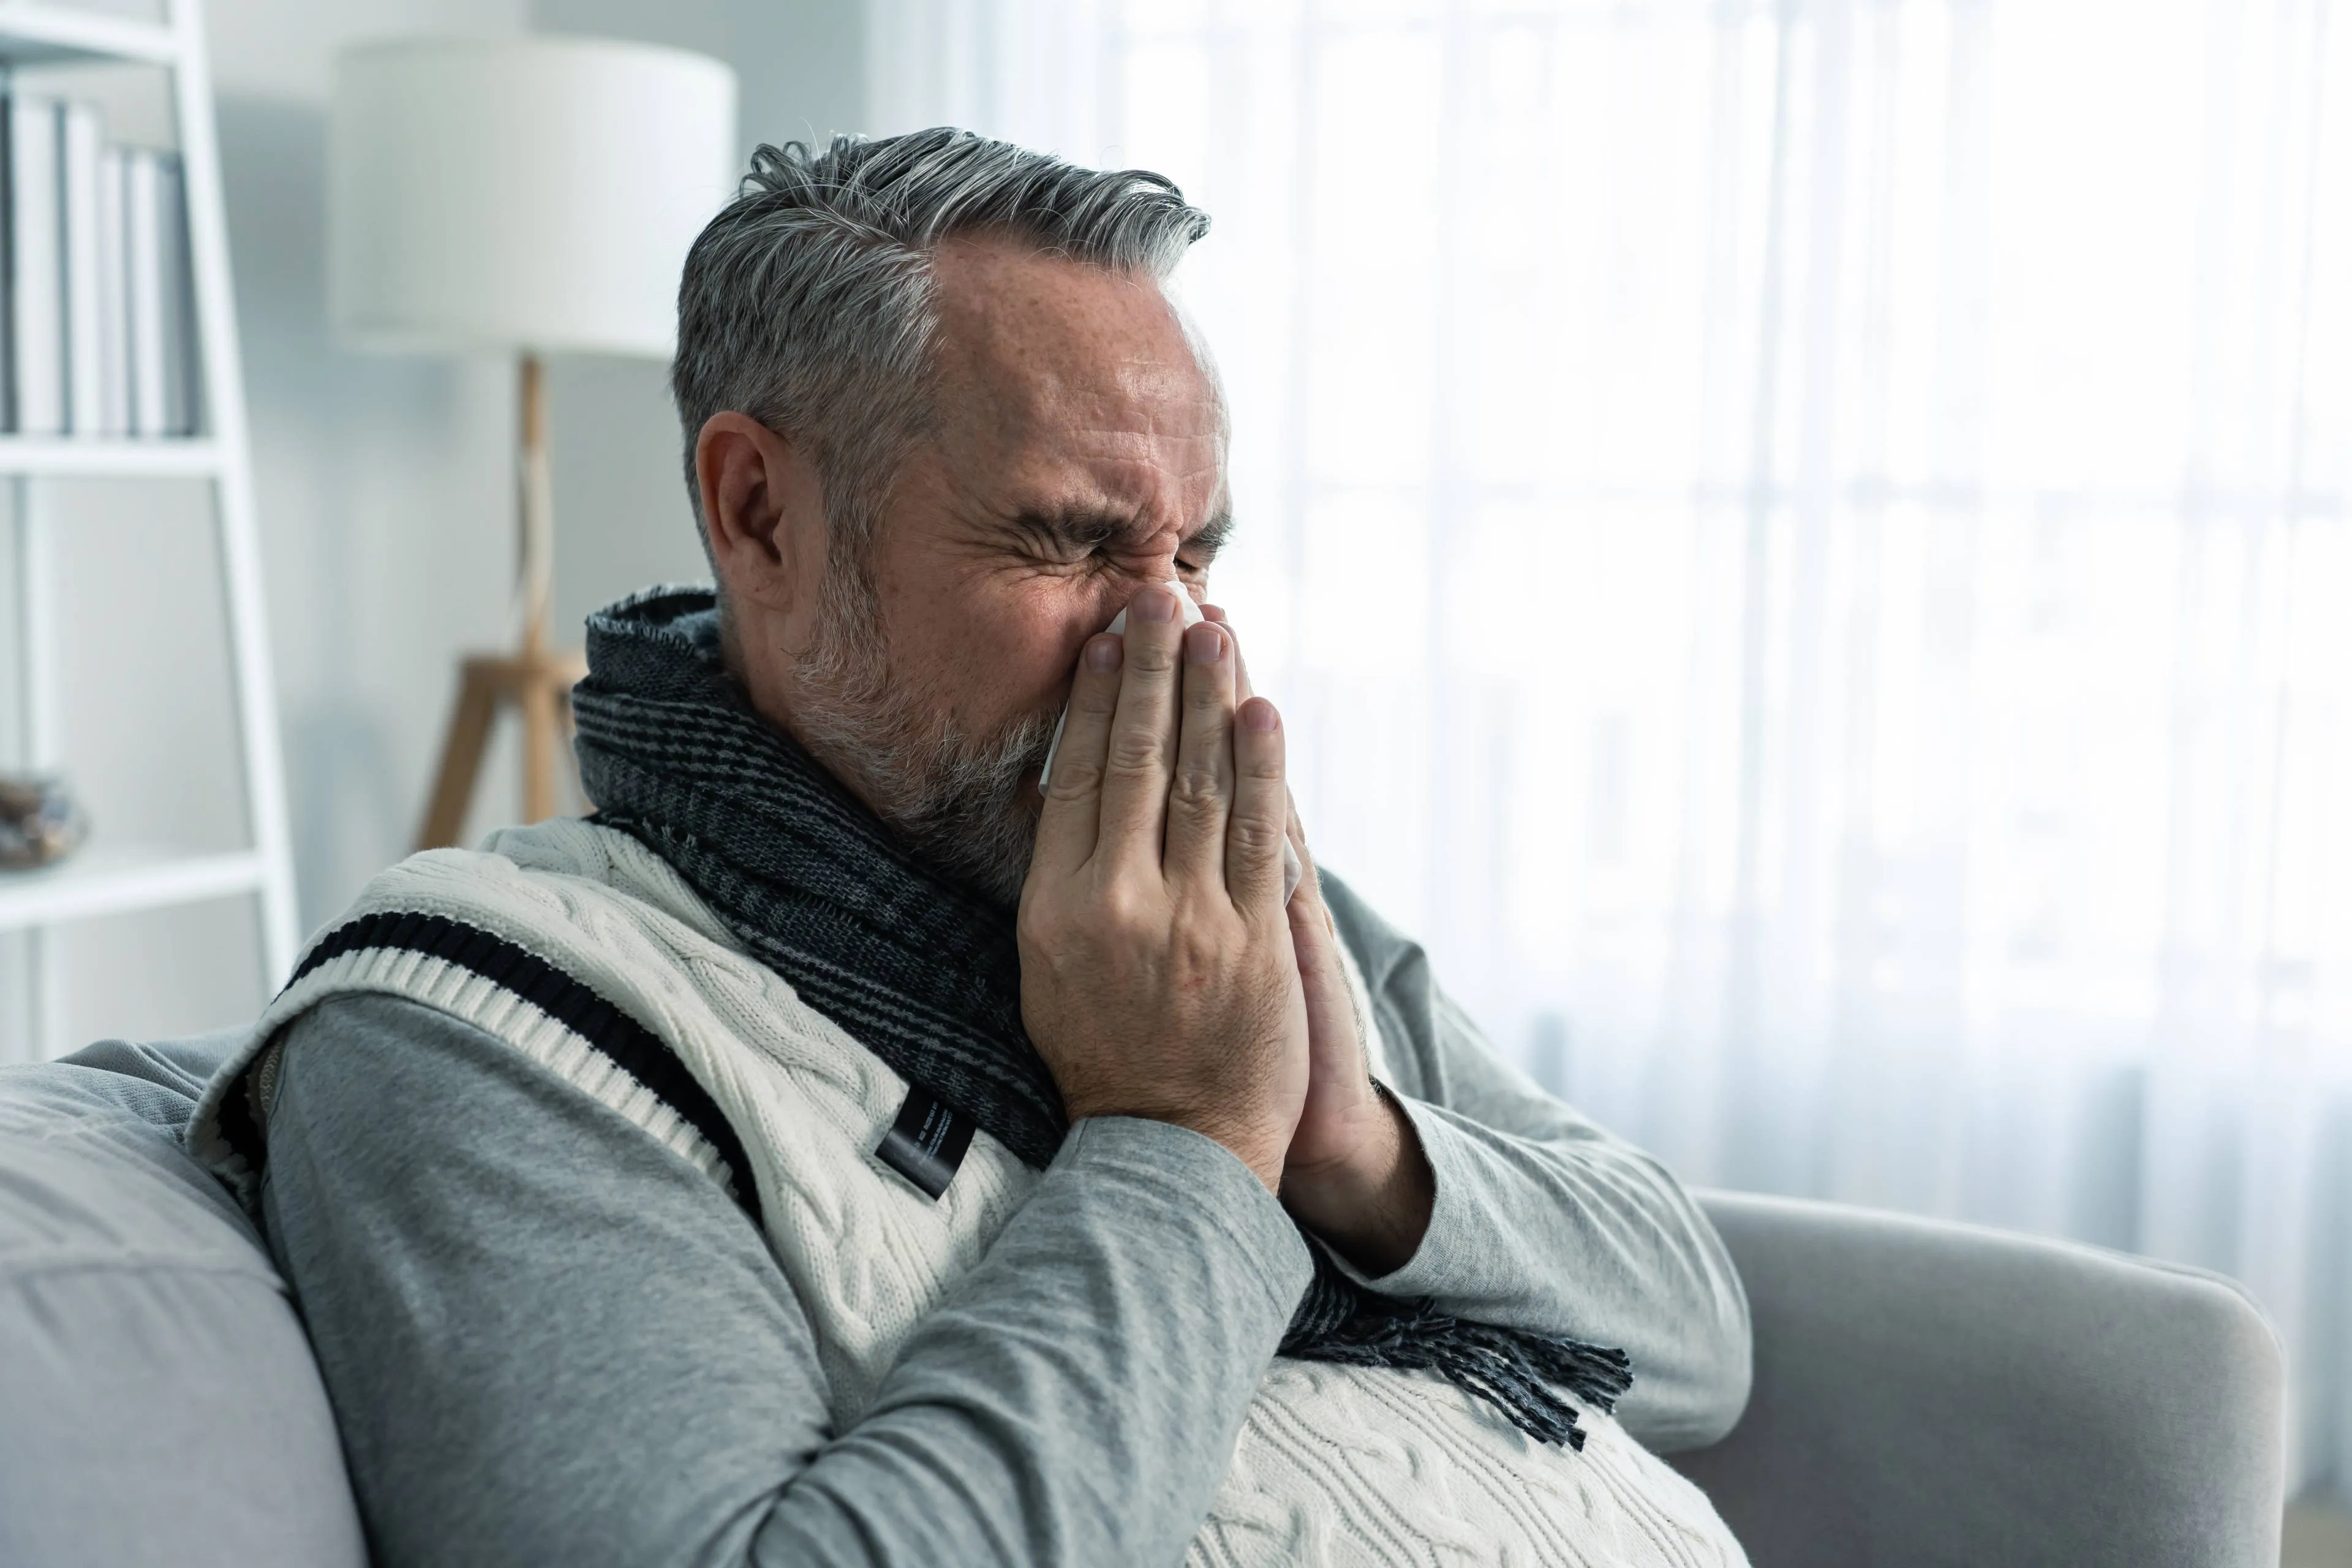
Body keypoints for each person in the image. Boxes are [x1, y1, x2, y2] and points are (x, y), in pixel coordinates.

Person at [192, 128, 1754, 1566]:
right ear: (762, 516)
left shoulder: (1223, 914)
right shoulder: (485, 1031)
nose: (1178, 634)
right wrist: (1191, 1139)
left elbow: (1700, 1331)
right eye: (1070, 540)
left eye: (1196, 551)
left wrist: (1352, 1144)